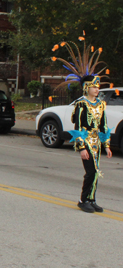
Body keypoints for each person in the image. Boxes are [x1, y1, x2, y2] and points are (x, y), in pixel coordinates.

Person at [51, 36, 112, 213]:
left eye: (98, 86)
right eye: (94, 86)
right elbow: (77, 127)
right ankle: (82, 199)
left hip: (97, 142)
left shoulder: (101, 104)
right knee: (91, 171)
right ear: (86, 87)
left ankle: (92, 199)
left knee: (96, 171)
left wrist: (106, 144)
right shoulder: (81, 104)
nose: (97, 89)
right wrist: (81, 147)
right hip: (86, 142)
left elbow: (103, 125)